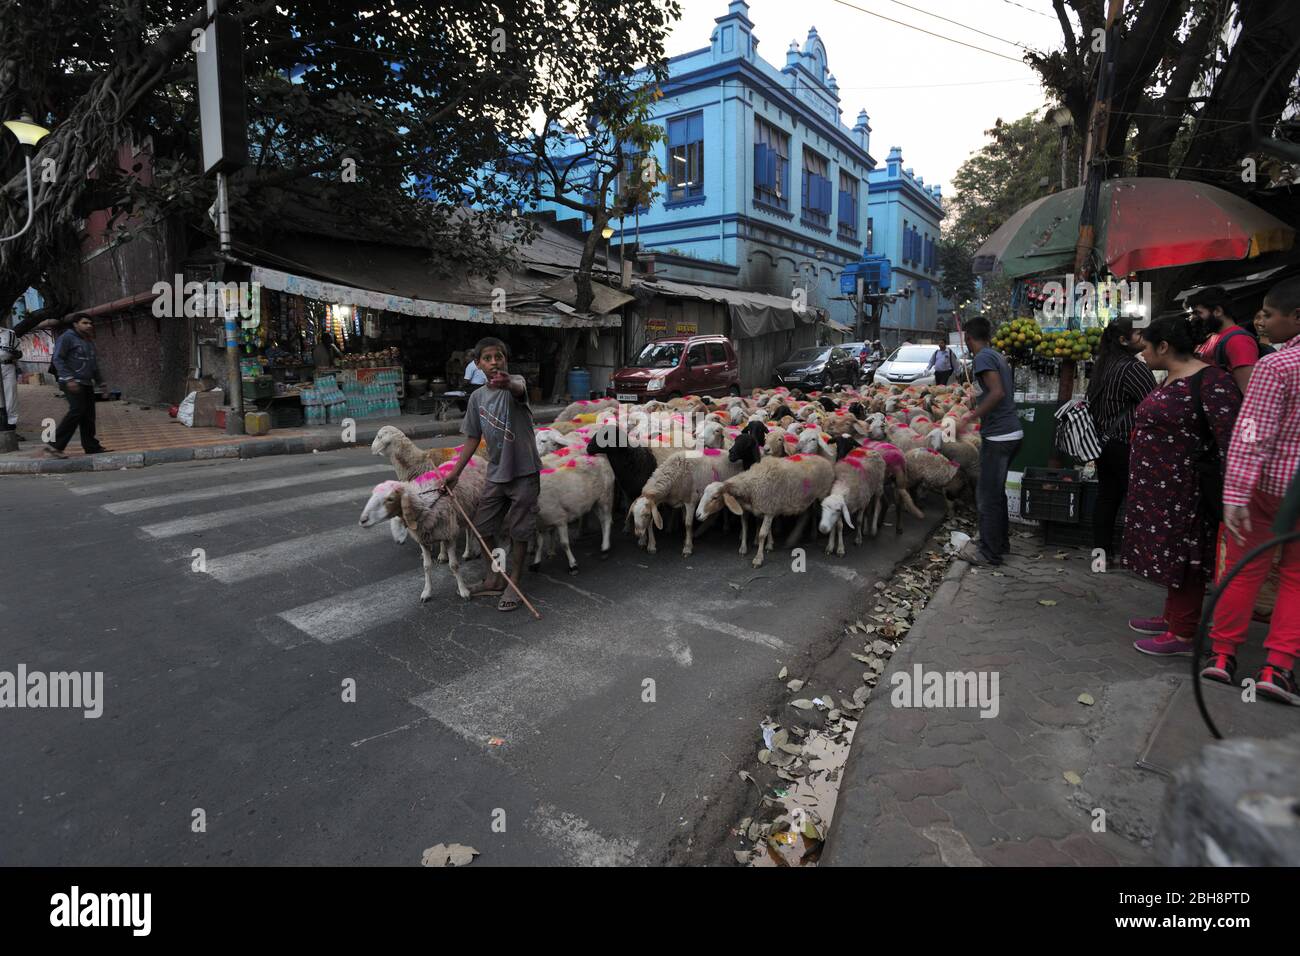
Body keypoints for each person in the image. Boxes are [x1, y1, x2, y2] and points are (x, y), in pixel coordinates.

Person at [1201, 277, 1300, 704]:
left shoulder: (1275, 367)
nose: (1262, 320)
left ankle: (1223, 657)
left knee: (1243, 569)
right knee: (1297, 579)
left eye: (1269, 313)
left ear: (1296, 318)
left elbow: (1251, 435)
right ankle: (1277, 669)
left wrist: (1235, 495)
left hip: (1264, 490)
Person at [1124, 315, 1241, 656]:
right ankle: (1172, 617)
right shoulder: (1174, 377)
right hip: (1160, 489)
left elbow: (1230, 438)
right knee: (1172, 553)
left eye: (1145, 347)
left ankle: (1184, 633)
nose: (1141, 354)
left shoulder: (1211, 381)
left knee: (1188, 556)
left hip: (1186, 488)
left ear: (1164, 346)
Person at [444, 337, 541, 613]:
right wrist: (454, 473)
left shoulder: (515, 385)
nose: (494, 362)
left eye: (499, 357)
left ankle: (515, 581)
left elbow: (520, 388)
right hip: (497, 472)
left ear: (505, 360)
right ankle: (494, 575)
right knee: (482, 526)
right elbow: (473, 438)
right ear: (477, 364)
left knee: (520, 530)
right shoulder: (476, 398)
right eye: (487, 358)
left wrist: (508, 383)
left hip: (524, 471)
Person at [1086, 318, 1156, 557]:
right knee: (1136, 498)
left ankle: (1101, 556)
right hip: (1127, 443)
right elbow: (1153, 403)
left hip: (1103, 442)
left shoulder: (1103, 365)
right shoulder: (1133, 368)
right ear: (1123, 340)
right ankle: (1137, 556)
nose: (1143, 338)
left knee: (1107, 498)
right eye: (1138, 334)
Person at [958, 316, 1021, 567]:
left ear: (968, 338)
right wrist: (978, 398)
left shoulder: (982, 357)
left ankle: (988, 553)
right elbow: (994, 392)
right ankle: (1000, 543)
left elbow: (997, 392)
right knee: (997, 494)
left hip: (999, 436)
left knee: (986, 497)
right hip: (1011, 432)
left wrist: (970, 416)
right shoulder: (996, 355)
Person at [45, 314, 108, 458]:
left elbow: (93, 365)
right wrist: (68, 378)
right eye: (84, 323)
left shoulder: (88, 341)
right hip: (71, 381)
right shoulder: (67, 338)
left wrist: (101, 383)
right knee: (76, 410)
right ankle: (54, 446)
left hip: (86, 382)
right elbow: (57, 358)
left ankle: (91, 446)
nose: (89, 325)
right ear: (75, 324)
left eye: (90, 323)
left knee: (89, 415)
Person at [1186, 286, 1259, 394]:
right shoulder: (1216, 337)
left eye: (1198, 313)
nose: (1194, 319)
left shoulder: (1238, 340)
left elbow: (1249, 392)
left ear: (1218, 311)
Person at [0, 322, 22, 439]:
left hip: (8, 367)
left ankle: (12, 429)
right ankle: (2, 428)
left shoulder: (10, 334)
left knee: (11, 397)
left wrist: (13, 353)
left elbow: (20, 353)